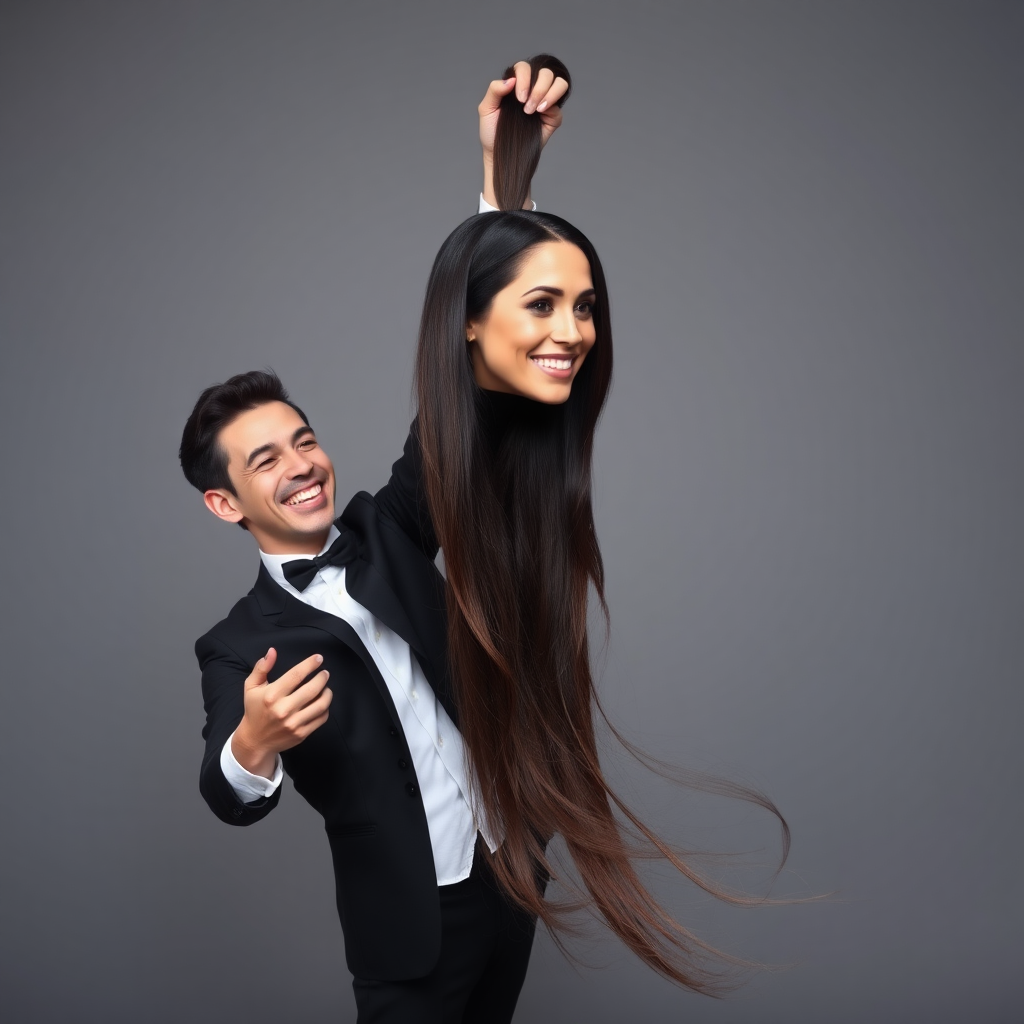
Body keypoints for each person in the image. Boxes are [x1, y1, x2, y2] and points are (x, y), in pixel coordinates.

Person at [182, 63, 570, 1024]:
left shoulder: (386, 529)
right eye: (265, 460)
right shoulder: (238, 647)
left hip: (509, 878)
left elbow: (460, 400)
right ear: (226, 505)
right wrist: (253, 741)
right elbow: (229, 796)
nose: (301, 465)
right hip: (408, 932)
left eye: (303, 439)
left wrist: (503, 193)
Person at [405, 55, 789, 997]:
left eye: (584, 306)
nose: (574, 330)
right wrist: (498, 197)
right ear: (468, 321)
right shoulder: (399, 511)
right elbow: (438, 450)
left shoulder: (537, 457)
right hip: (417, 898)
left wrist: (510, 184)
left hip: (510, 854)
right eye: (543, 304)